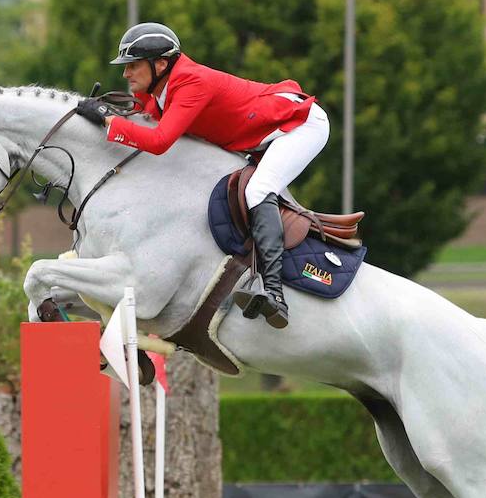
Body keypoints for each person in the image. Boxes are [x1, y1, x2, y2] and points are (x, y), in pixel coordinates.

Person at [74, 22, 330, 329]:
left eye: (133, 66)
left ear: (160, 64)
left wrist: (108, 122)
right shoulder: (160, 90)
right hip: (261, 135)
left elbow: (159, 142)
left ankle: (273, 292)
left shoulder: (190, 82)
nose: (126, 74)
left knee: (258, 190)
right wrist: (103, 113)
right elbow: (142, 122)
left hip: (299, 125)